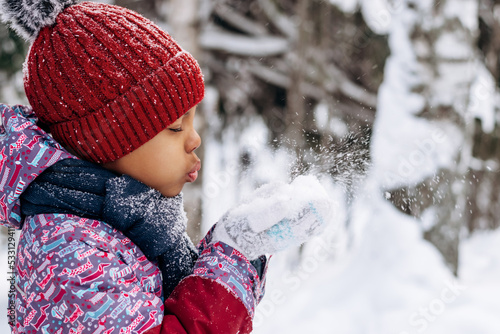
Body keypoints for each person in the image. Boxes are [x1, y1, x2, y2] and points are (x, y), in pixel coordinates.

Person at [0, 1, 334, 333]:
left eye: (192, 123)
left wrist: (233, 250)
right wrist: (230, 260)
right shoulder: (69, 254)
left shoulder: (123, 223)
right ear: (104, 141)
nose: (194, 140)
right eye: (176, 127)